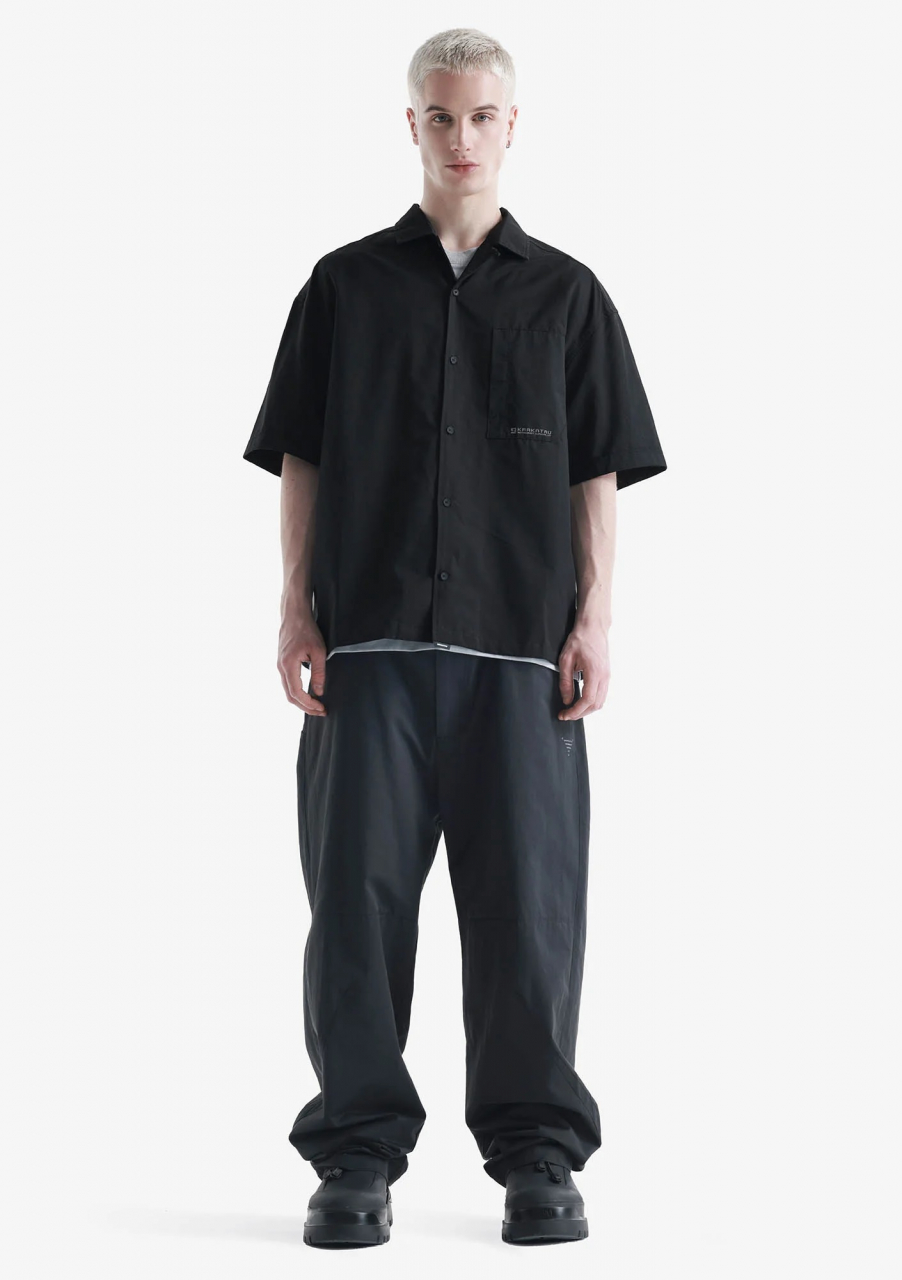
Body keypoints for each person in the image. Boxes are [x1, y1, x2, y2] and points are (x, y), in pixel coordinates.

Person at [243, 27, 667, 1248]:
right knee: (355, 910)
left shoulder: (566, 296)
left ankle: (536, 1154)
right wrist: (293, 603)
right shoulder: (342, 287)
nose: (461, 137)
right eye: (440, 116)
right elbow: (301, 454)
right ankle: (354, 1154)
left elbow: (595, 468)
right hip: (369, 648)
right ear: (412, 125)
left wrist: (594, 615)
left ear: (511, 124)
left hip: (518, 655)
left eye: (482, 116)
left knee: (528, 913)